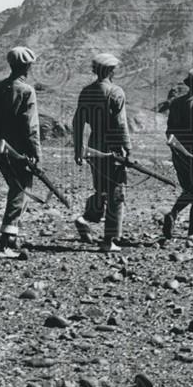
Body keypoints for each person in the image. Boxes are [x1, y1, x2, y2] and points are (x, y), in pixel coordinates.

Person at [0, 46, 41, 259]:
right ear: (27, 66)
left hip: (1, 149)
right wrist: (36, 153)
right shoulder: (26, 91)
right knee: (20, 190)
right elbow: (30, 127)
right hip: (20, 151)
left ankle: (11, 236)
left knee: (17, 190)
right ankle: (6, 243)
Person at [72, 53, 131, 252]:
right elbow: (121, 124)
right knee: (116, 193)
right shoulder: (116, 92)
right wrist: (127, 148)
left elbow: (77, 122)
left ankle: (85, 218)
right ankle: (109, 240)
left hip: (93, 145)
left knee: (101, 190)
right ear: (111, 71)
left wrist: (78, 149)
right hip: (112, 146)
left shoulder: (86, 91)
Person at [163, 67, 193, 248]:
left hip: (178, 153)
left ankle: (173, 214)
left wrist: (178, 150)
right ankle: (192, 236)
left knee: (190, 190)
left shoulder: (176, 103)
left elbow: (169, 131)